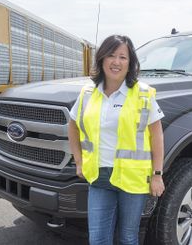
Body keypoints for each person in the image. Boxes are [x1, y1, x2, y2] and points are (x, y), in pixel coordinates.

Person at [68, 34, 165, 245]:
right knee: (98, 239)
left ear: (130, 63)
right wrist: (79, 161)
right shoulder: (87, 93)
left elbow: (156, 136)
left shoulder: (143, 94)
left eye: (123, 57)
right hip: (99, 176)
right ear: (101, 58)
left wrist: (157, 175)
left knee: (128, 237)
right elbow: (73, 125)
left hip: (133, 179)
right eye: (111, 55)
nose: (116, 62)